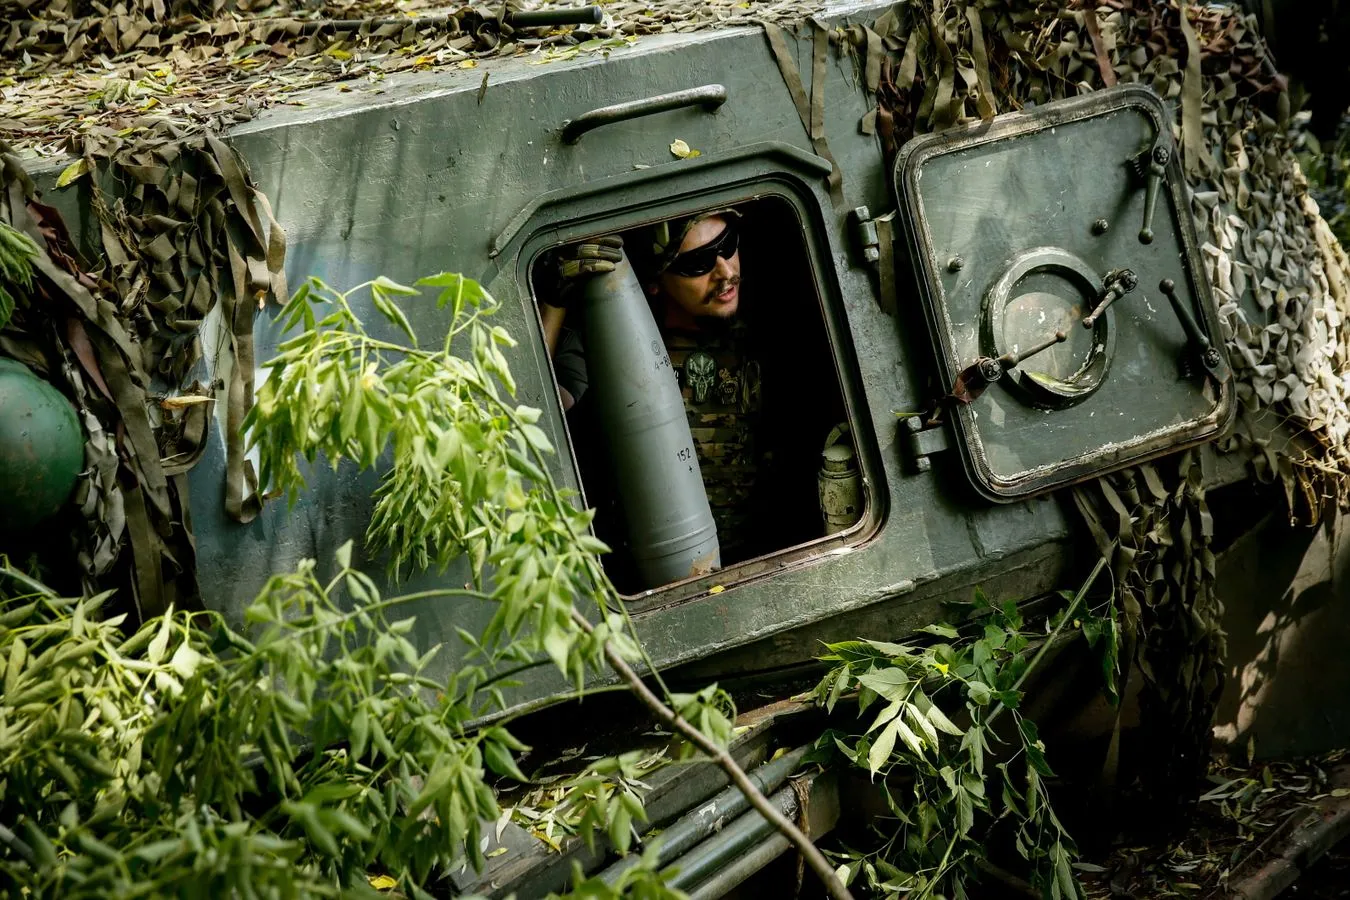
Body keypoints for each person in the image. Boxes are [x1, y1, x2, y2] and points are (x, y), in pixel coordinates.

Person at [539, 209, 775, 582]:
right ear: (654, 282)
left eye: (727, 245)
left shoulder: (762, 328)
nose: (726, 272)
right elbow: (525, 420)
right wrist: (553, 304)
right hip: (659, 579)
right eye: (698, 263)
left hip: (758, 562)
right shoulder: (605, 354)